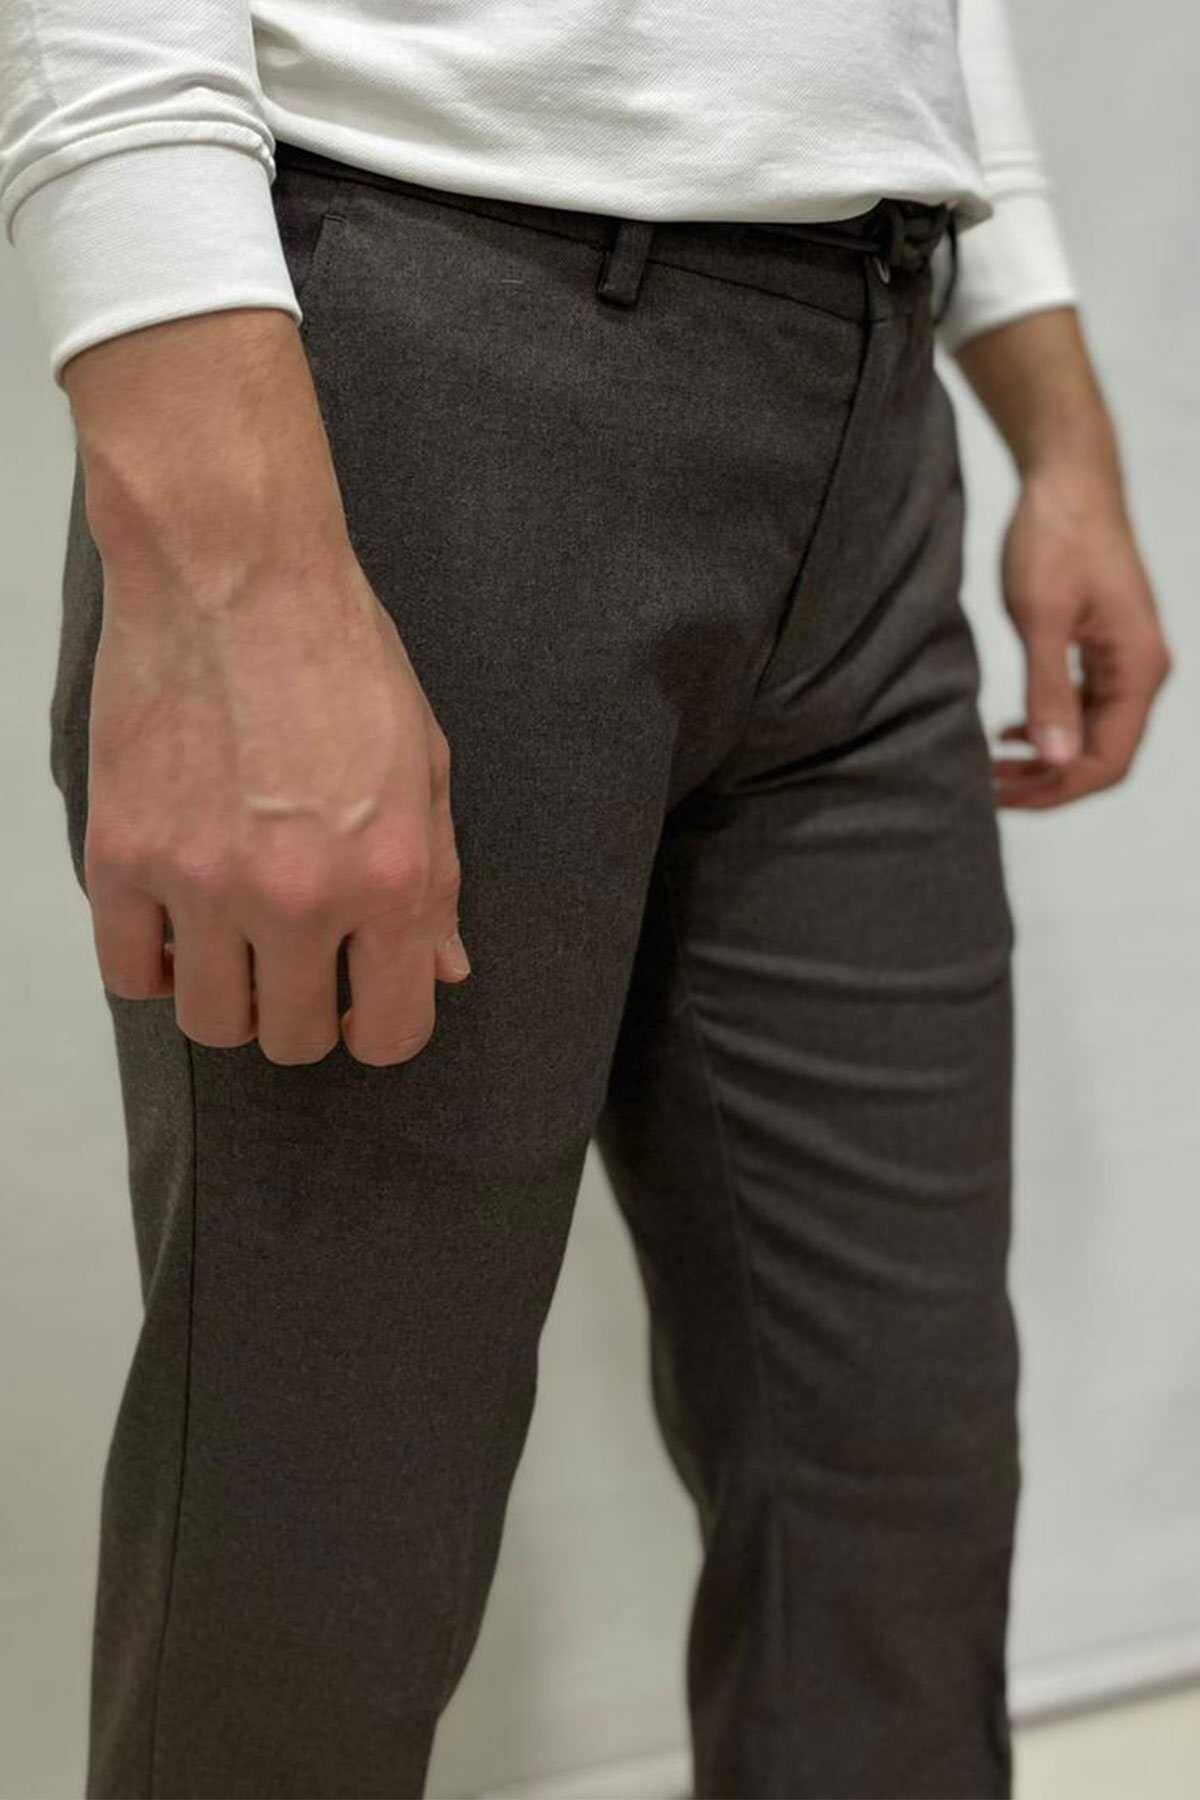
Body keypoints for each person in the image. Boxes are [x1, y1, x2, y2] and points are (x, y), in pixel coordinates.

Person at [0, 1, 1172, 1796]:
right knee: (324, 1536)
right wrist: (235, 579)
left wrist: (1057, 420)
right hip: (429, 359)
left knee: (894, 1475)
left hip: (873, 400)